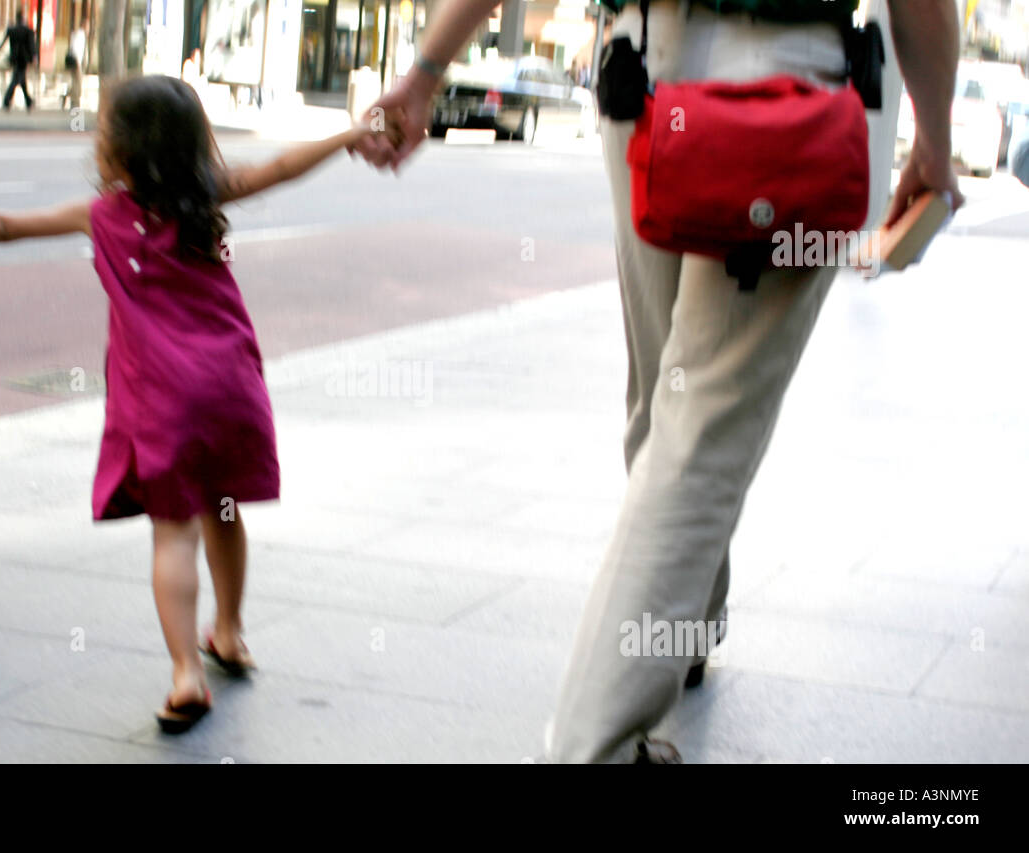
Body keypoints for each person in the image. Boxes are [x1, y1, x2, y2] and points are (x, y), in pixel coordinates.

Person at [353, 0, 965, 763]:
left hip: (640, 72)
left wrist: (425, 74)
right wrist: (935, 140)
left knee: (662, 391)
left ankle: (688, 620)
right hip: (797, 85)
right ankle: (594, 746)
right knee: (701, 427)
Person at [0, 76, 400, 732]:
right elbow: (280, 168)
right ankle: (226, 631)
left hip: (163, 397)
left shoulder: (104, 214)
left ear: (121, 151)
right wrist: (348, 133)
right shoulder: (205, 196)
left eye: (103, 131)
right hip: (229, 386)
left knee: (174, 530)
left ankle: (186, 674)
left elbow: (4, 227)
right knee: (223, 507)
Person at [0, 8, 38, 112]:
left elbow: (3, 41)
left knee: (21, 79)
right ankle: (7, 99)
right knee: (17, 79)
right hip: (24, 58)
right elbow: (31, 45)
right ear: (23, 19)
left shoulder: (12, 30)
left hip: (14, 57)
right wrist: (34, 56)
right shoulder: (28, 31)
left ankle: (28, 101)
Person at [66, 21, 87, 110]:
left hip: (73, 60)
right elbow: (76, 49)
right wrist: (78, 62)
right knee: (77, 81)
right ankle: (75, 101)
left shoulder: (76, 34)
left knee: (75, 80)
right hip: (75, 60)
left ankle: (69, 96)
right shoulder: (81, 35)